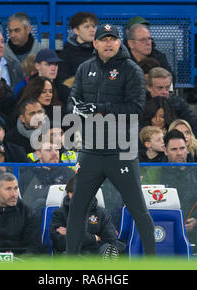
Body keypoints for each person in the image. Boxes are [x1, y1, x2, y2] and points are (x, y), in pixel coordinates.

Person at [65, 24, 157, 256]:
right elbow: (71, 102)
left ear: (119, 43)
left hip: (121, 149)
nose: (108, 43)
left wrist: (100, 108)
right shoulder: (84, 69)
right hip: (91, 150)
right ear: (94, 44)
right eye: (103, 39)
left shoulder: (131, 70)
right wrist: (79, 110)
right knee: (77, 210)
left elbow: (136, 109)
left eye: (112, 39)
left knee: (138, 209)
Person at [49, 175, 119, 257]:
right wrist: (94, 238)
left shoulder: (101, 213)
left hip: (96, 255)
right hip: (72, 255)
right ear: (69, 194)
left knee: (108, 249)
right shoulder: (59, 214)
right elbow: (60, 243)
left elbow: (110, 241)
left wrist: (72, 235)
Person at [146, 67, 197, 141]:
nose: (164, 92)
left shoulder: (178, 103)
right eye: (160, 88)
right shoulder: (140, 104)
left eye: (167, 88)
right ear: (149, 87)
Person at [57, 12, 98, 87]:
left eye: (93, 26)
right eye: (87, 27)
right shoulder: (66, 54)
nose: (92, 30)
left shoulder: (100, 51)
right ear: (76, 30)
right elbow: (62, 83)